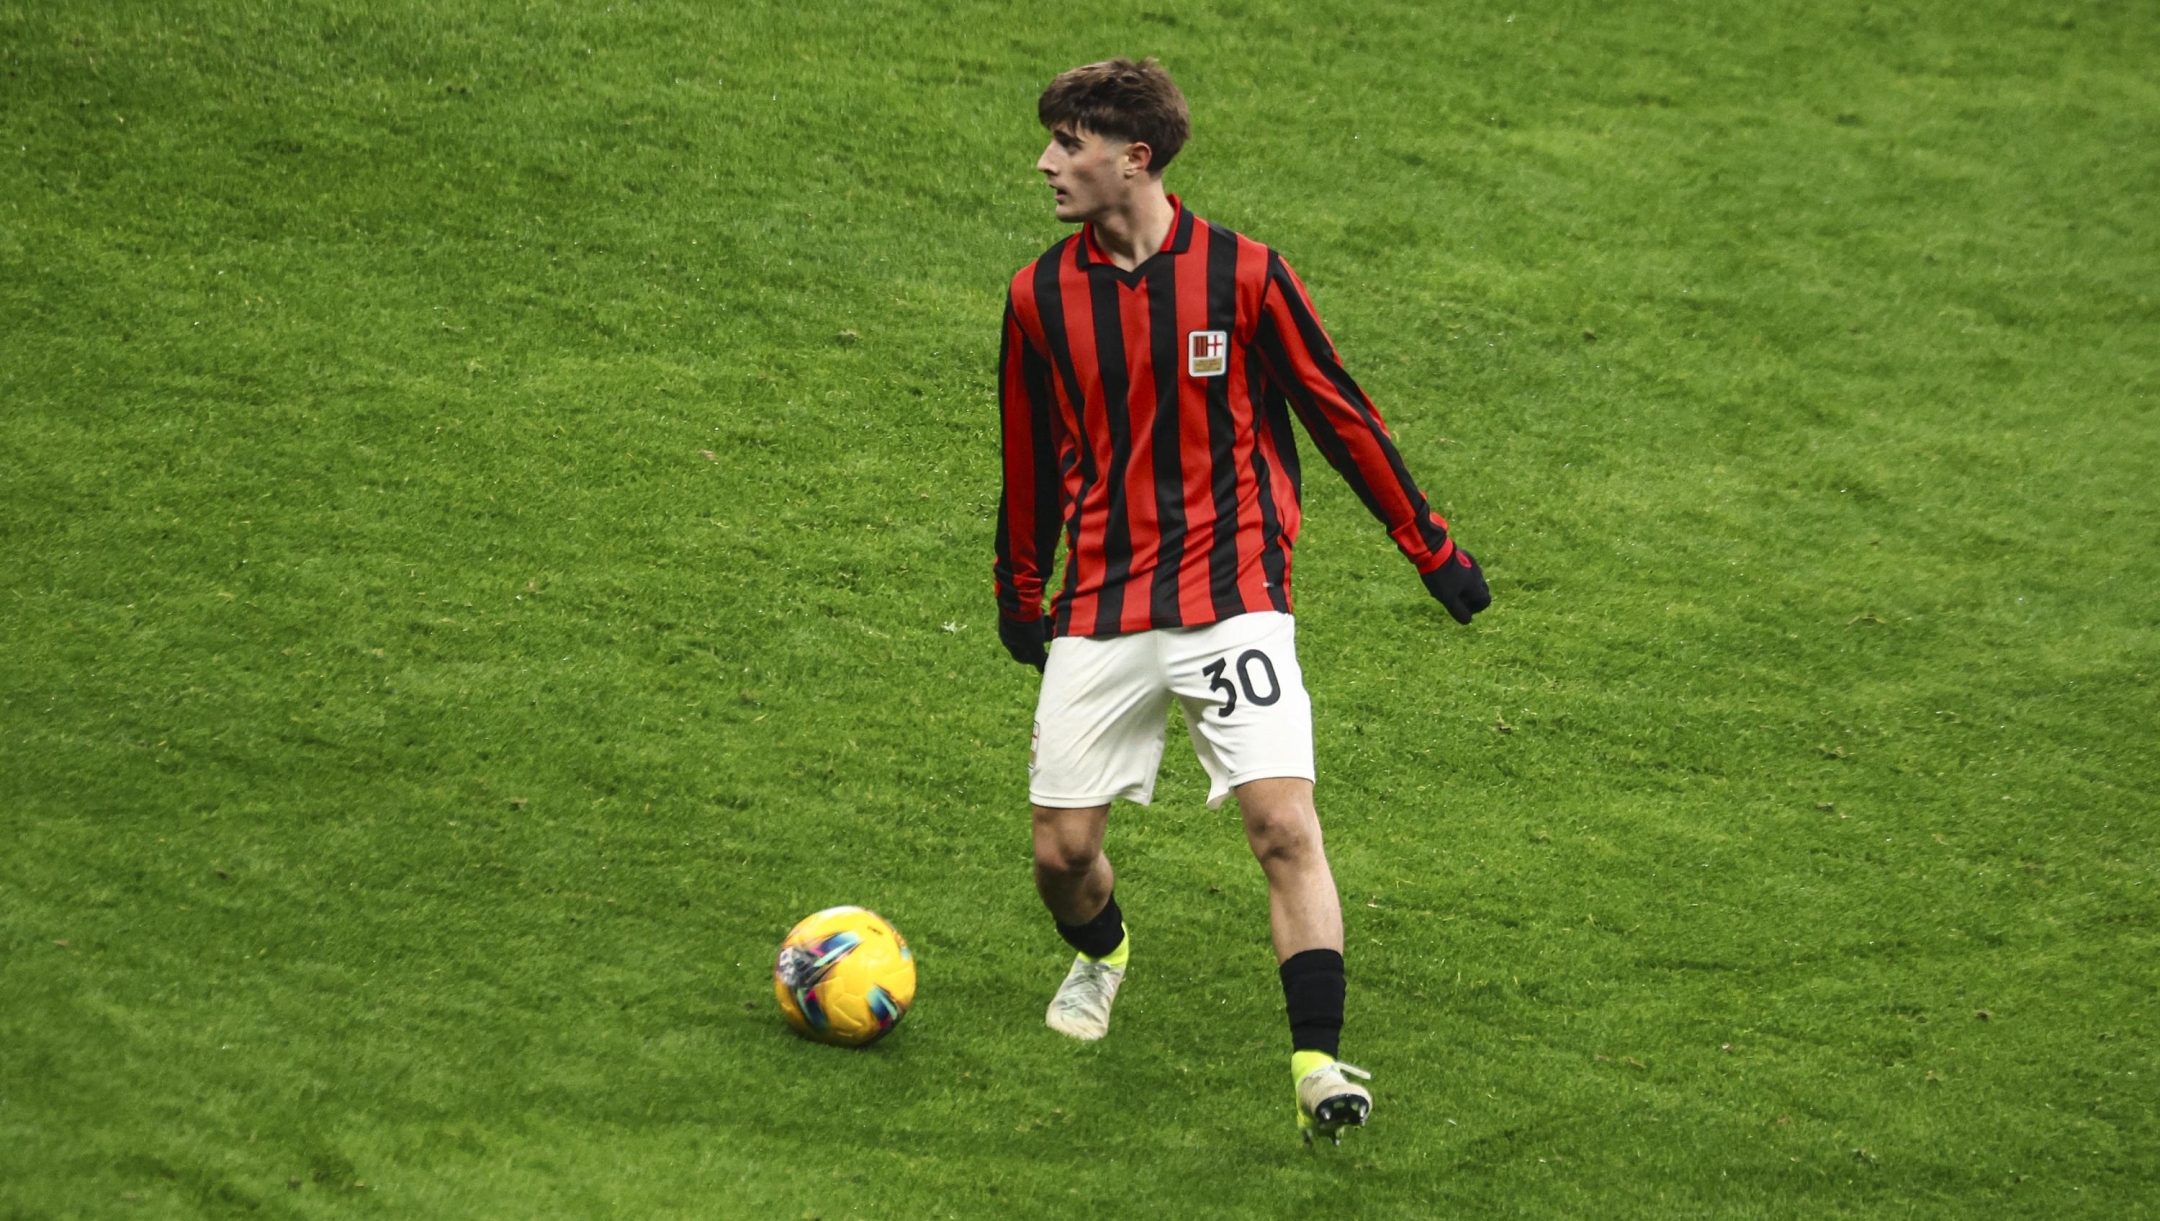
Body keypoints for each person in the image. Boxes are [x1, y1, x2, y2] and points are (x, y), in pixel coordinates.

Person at [992, 57, 1491, 1145]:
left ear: (1138, 156)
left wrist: (1431, 549)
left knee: (1283, 826)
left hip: (1236, 600)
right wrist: (1018, 592)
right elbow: (1024, 459)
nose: (1045, 164)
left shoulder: (1245, 276)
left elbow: (1340, 416)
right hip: (1103, 603)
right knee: (1060, 856)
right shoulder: (1038, 297)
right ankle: (1103, 952)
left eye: (1068, 144)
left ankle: (1319, 1061)